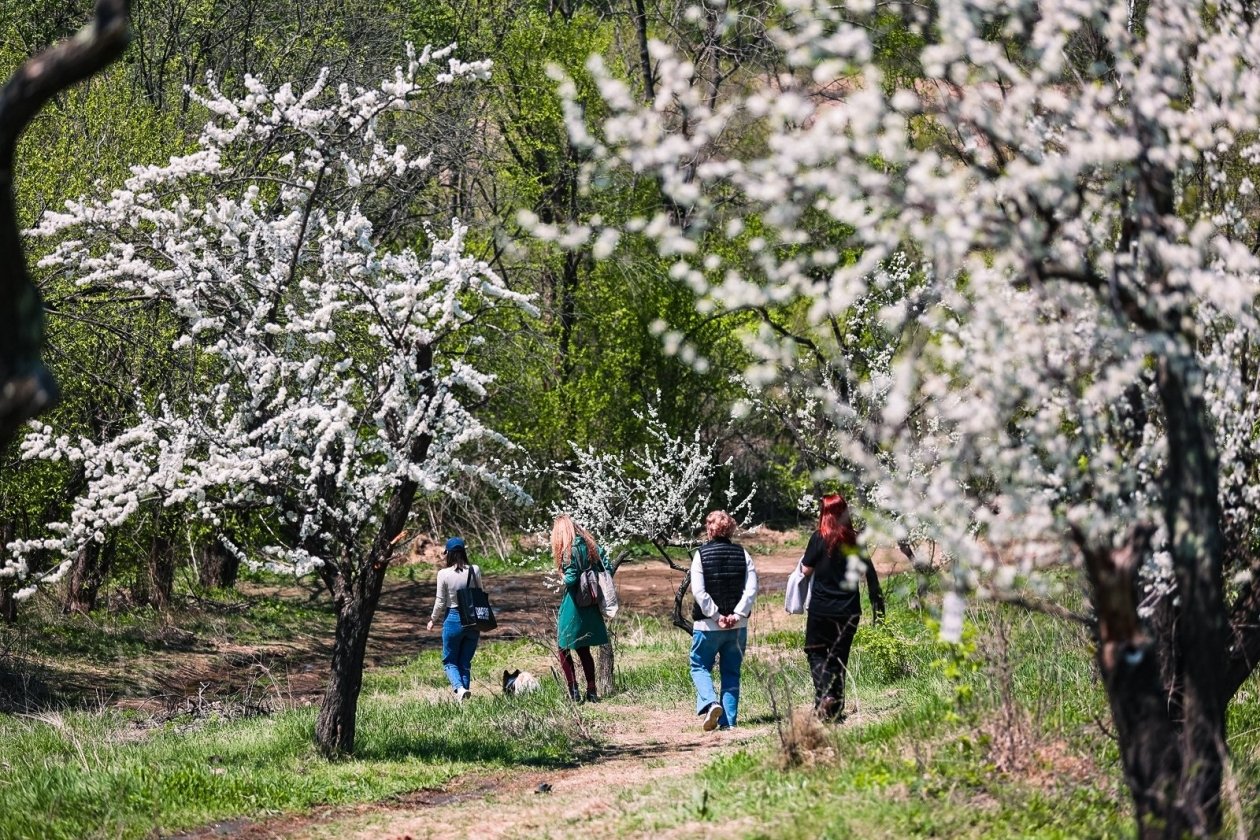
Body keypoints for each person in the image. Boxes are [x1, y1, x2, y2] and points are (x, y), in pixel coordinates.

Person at [800, 493, 885, 721]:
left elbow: (805, 570)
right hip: (849, 609)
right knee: (839, 657)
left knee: (815, 652)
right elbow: (869, 574)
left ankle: (825, 697)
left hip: (821, 608)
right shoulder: (856, 540)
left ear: (824, 513)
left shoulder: (819, 538)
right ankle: (832, 709)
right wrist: (877, 604)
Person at [688, 509, 758, 731]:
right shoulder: (743, 554)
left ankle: (710, 703)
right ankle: (728, 723)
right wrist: (736, 615)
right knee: (731, 672)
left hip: (707, 626)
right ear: (731, 530)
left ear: (710, 529)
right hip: (738, 627)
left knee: (699, 665)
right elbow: (751, 589)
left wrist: (717, 616)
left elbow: (699, 592)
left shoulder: (701, 555)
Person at [551, 515, 610, 703]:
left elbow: (570, 579)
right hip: (591, 603)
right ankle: (592, 691)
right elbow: (606, 567)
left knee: (563, 647)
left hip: (574, 604)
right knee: (583, 648)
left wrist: (562, 576)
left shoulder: (569, 551)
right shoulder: (591, 545)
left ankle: (574, 691)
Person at [426, 536, 482, 700]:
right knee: (465, 662)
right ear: (464, 552)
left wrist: (432, 619)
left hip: (453, 618)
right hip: (473, 620)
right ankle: (464, 696)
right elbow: (481, 594)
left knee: (450, 661)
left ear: (448, 554)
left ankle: (459, 688)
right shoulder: (475, 570)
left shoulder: (443, 574)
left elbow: (440, 601)